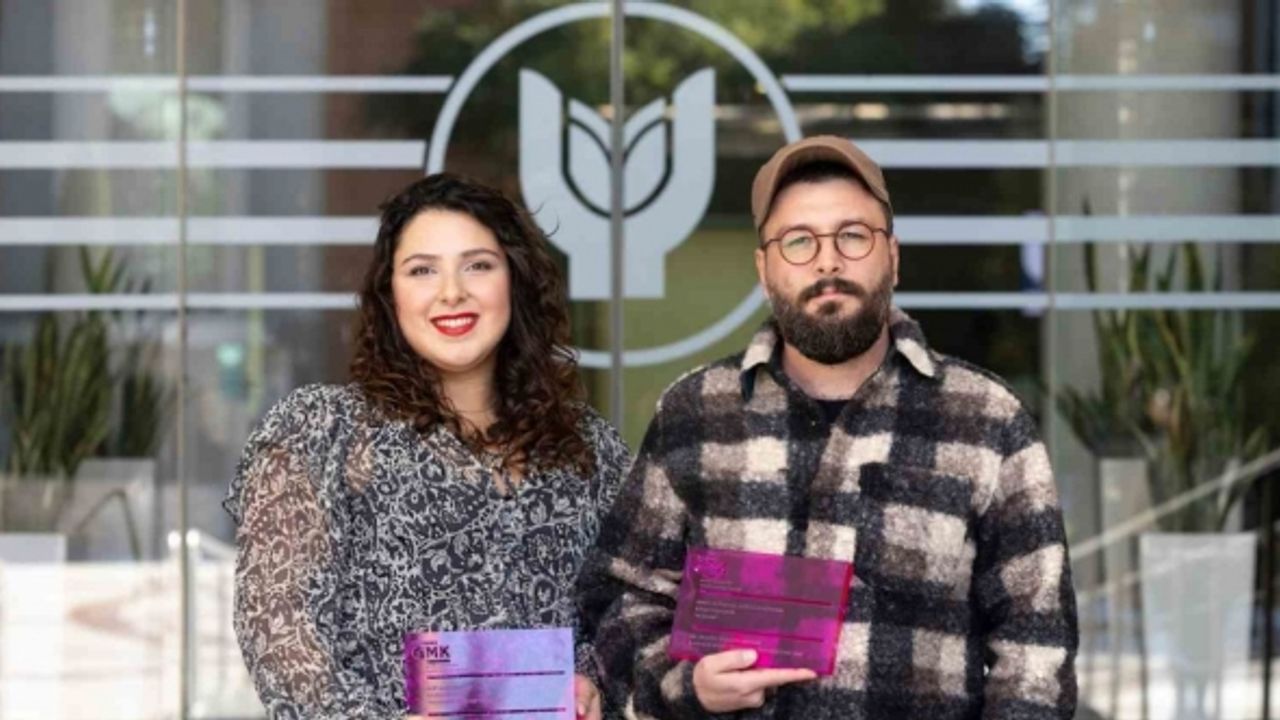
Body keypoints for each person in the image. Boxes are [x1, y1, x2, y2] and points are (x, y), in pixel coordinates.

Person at [578, 136, 1078, 719]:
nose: (827, 261)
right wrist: (686, 685)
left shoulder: (987, 419)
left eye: (853, 235)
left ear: (893, 256)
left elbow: (1036, 645)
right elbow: (623, 599)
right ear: (764, 270)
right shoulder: (694, 414)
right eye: (798, 241)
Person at [225, 173, 629, 719]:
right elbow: (278, 629)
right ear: (389, 294)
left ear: (515, 280)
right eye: (422, 270)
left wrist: (593, 680)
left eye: (478, 265)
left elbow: (630, 612)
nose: (451, 292)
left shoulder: (587, 448)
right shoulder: (324, 432)